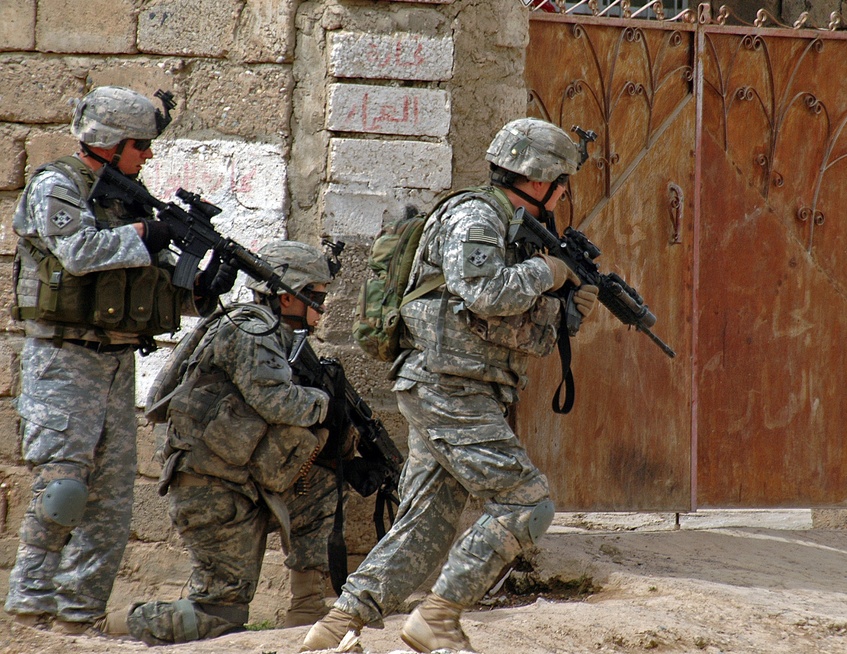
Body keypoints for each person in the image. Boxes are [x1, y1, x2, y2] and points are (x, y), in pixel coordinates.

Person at [303, 117, 600, 653]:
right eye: (562, 182)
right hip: (447, 387)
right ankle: (437, 616)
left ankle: (336, 627)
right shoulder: (476, 217)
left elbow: (501, 326)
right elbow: (486, 294)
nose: (562, 194)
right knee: (525, 503)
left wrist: (566, 314)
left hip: (457, 386)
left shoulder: (510, 226)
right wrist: (550, 274)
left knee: (427, 523)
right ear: (539, 181)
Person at [5, 86, 235, 635]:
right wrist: (144, 231)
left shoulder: (128, 198)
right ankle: (29, 612)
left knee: (110, 506)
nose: (148, 157)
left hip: (115, 361)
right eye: (141, 146)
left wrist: (198, 289)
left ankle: (78, 621)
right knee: (62, 492)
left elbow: (146, 284)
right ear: (111, 144)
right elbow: (79, 253)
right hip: (62, 361)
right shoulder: (58, 185)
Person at [121, 240, 354, 645]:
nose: (322, 307)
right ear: (287, 297)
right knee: (220, 616)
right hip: (212, 490)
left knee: (324, 480)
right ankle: (116, 623)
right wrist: (324, 406)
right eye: (316, 296)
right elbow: (275, 400)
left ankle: (306, 609)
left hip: (244, 480)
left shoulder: (278, 335)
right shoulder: (250, 328)